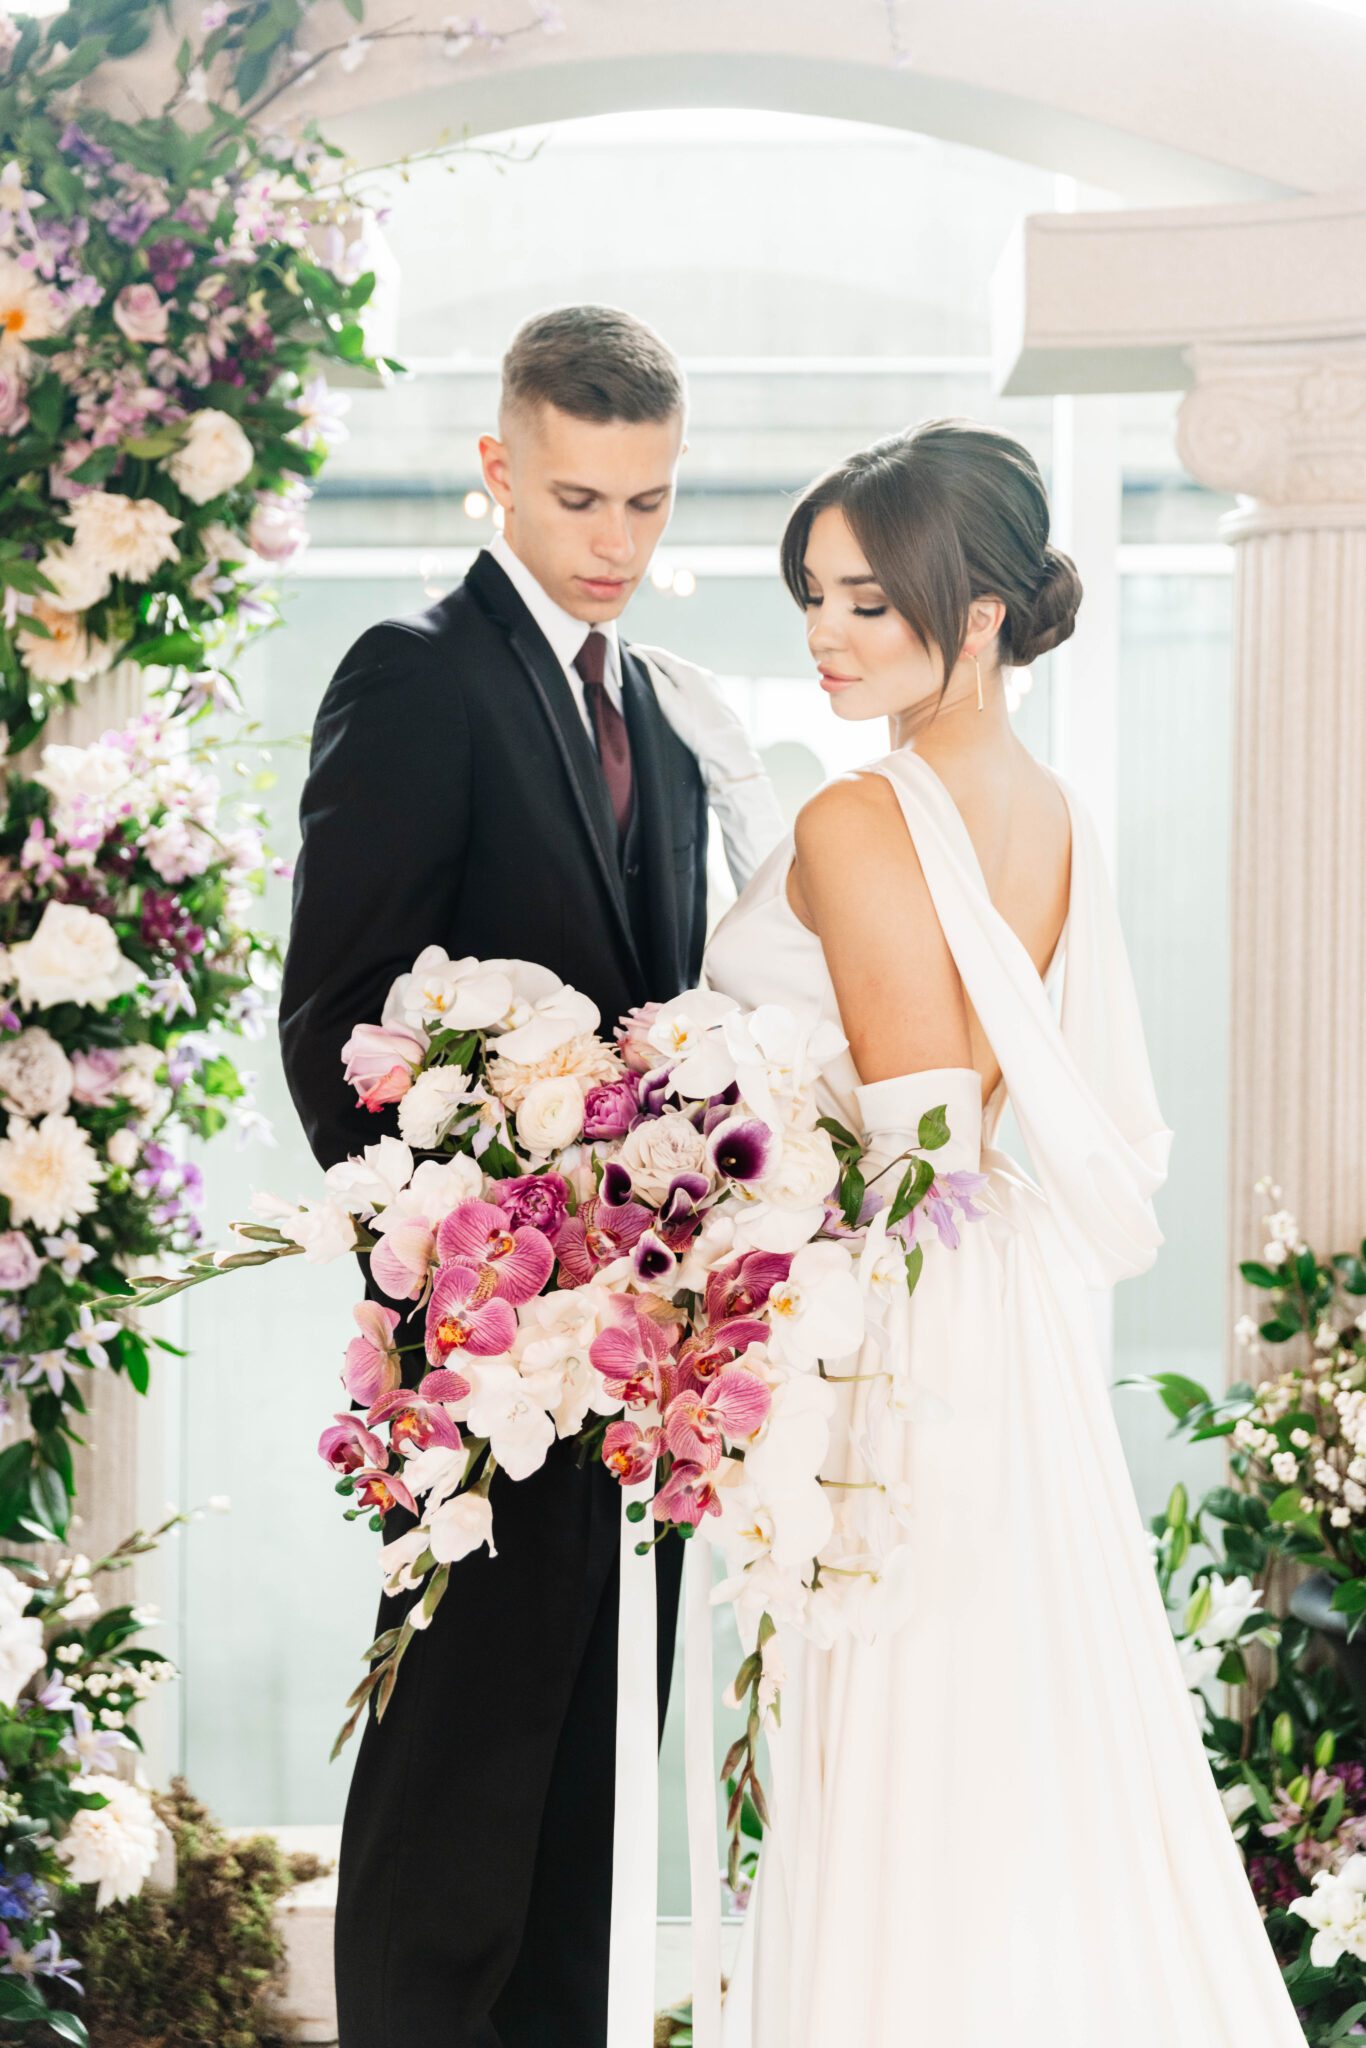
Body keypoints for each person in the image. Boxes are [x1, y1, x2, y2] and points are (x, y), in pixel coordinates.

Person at [704, 420, 1309, 2046]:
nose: (823, 636)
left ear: (973, 618)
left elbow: (902, 1136)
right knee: (1007, 1731)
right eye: (812, 598)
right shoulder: (1045, 807)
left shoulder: (862, 815)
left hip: (903, 1307)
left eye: (863, 605)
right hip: (994, 1298)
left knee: (914, 1735)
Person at [278, 303, 782, 2048]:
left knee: (585, 1806)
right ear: (499, 467)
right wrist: (466, 1288)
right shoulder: (413, 672)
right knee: (456, 1805)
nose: (614, 547)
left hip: (639, 1371)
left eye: (646, 505)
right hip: (491, 1357)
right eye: (578, 501)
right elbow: (338, 1022)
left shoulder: (654, 699)